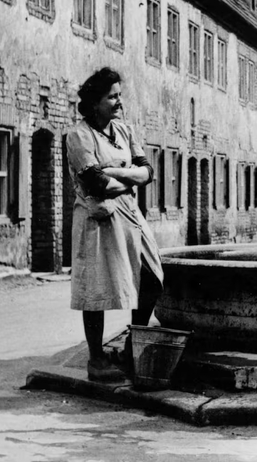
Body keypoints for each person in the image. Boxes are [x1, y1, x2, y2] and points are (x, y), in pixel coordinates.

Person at [66, 67, 164, 381]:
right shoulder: (79, 135)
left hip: (130, 215)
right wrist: (128, 177)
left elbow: (148, 173)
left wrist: (117, 172)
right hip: (99, 218)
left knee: (152, 277)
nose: (118, 102)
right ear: (94, 103)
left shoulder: (124, 130)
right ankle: (96, 360)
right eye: (112, 97)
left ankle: (132, 348)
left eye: (119, 95)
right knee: (97, 288)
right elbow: (96, 184)